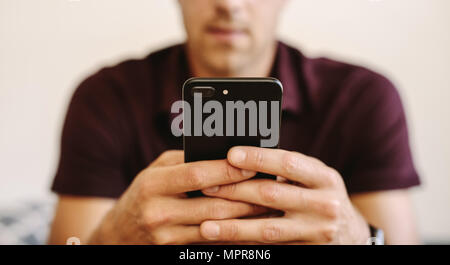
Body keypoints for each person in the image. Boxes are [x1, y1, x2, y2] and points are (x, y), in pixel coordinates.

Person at [48, 0, 420, 244]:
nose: (228, 4)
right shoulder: (106, 96)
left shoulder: (363, 97)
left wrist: (356, 235)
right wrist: (112, 236)